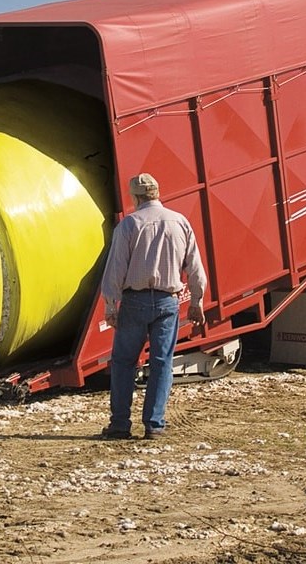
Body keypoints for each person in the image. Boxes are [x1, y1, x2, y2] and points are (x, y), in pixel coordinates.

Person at [99, 172, 208, 440]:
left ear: (135, 197)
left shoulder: (129, 225)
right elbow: (195, 267)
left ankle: (120, 424)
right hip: (167, 301)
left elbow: (116, 269)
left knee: (124, 362)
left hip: (134, 301)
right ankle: (155, 424)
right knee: (161, 362)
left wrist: (111, 305)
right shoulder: (180, 222)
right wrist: (197, 300)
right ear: (157, 193)